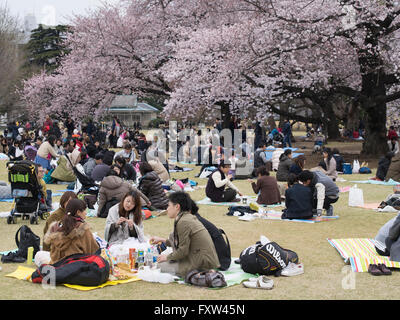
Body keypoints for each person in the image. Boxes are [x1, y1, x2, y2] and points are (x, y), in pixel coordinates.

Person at [149, 192, 220, 278]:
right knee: (165, 261)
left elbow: (183, 251)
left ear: (177, 206)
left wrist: (167, 257)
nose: (167, 209)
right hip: (204, 259)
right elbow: (179, 242)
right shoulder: (186, 217)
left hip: (202, 263)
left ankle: (199, 272)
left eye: (168, 205)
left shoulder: (183, 222)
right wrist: (162, 240)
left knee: (160, 266)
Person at [42, 199, 99, 264]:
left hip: (56, 267)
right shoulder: (83, 229)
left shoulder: (55, 227)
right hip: (76, 268)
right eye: (84, 210)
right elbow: (93, 251)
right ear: (78, 212)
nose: (86, 213)